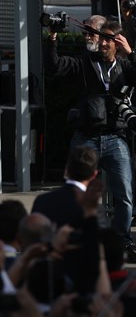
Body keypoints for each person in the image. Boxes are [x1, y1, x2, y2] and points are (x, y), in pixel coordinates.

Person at [45, 20, 136, 253]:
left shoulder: (125, 67)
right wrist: (53, 38)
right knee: (74, 189)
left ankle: (121, 239)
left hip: (116, 137)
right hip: (86, 137)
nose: (103, 43)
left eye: (108, 39)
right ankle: (73, 235)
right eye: (101, 37)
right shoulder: (85, 63)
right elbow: (55, 66)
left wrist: (131, 53)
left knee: (124, 193)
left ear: (118, 42)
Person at [32, 146, 98, 231]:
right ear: (94, 175)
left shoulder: (42, 201)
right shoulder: (92, 209)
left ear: (66, 170)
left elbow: (32, 236)